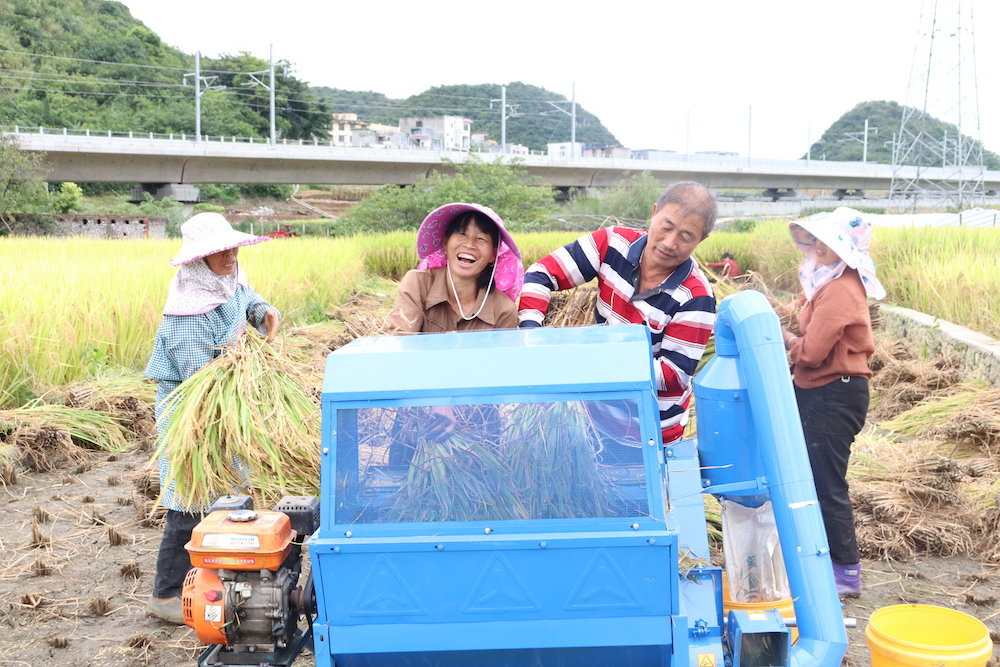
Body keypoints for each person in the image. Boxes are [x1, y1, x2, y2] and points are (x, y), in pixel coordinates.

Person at [144, 212, 280, 624]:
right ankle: (166, 595)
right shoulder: (187, 313)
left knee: (230, 491)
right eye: (218, 250)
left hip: (227, 404)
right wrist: (243, 368)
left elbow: (246, 296)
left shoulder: (228, 278)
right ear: (198, 259)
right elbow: (202, 381)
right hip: (192, 410)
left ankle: (221, 577)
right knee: (190, 495)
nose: (230, 255)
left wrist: (263, 313)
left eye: (232, 246)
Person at [518, 181, 718, 447]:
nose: (669, 243)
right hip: (593, 418)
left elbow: (673, 375)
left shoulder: (696, 296)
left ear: (701, 240)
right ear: (654, 212)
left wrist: (594, 361)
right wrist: (532, 336)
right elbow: (541, 275)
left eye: (686, 236)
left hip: (649, 432)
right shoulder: (612, 243)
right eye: (666, 227)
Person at [779, 207, 885, 598]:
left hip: (833, 393)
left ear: (846, 248)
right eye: (817, 238)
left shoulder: (841, 288)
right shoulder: (831, 281)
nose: (819, 246)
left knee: (826, 482)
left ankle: (845, 572)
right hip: (822, 390)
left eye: (829, 240)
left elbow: (811, 353)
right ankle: (823, 561)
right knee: (814, 476)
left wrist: (785, 339)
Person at [385, 202, 522, 446]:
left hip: (478, 429)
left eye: (481, 238)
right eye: (461, 233)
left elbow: (499, 373)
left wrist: (451, 401)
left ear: (493, 255)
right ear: (446, 244)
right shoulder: (417, 284)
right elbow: (399, 345)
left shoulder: (503, 309)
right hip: (417, 421)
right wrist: (436, 397)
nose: (469, 244)